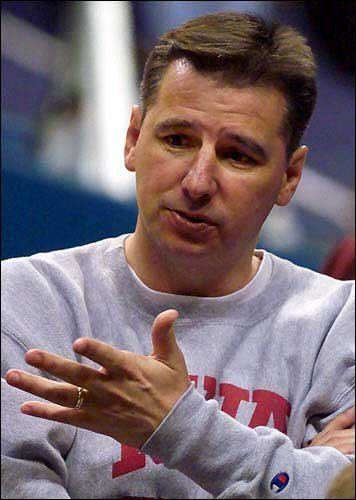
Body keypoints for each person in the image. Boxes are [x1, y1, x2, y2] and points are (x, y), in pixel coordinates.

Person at [2, 11, 355, 500]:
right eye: (177, 140)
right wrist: (298, 476)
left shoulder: (339, 327)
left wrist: (177, 425)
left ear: (290, 177)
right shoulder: (23, 304)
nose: (197, 182)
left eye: (238, 155)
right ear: (132, 140)